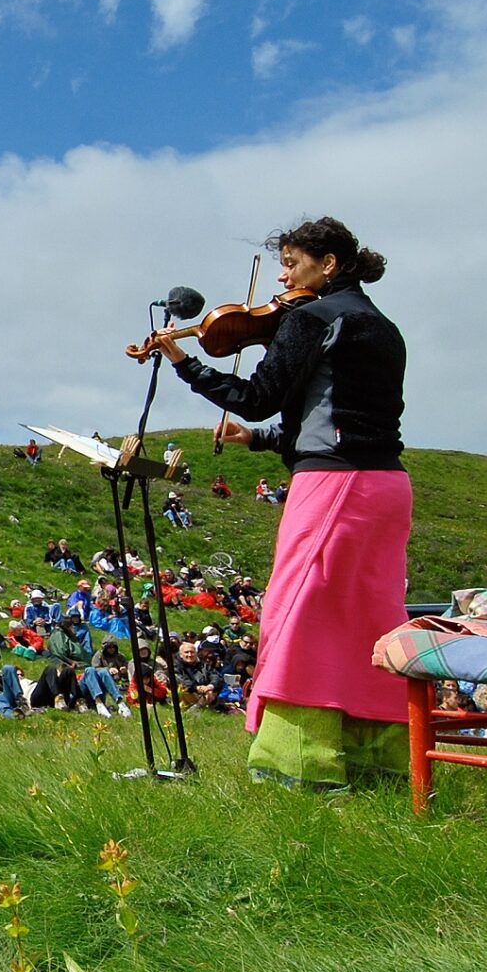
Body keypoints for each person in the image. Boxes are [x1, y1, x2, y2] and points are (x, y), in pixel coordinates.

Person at [137, 217, 407, 790]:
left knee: (299, 617)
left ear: (327, 264)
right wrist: (258, 440)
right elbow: (346, 419)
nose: (281, 277)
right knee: (370, 623)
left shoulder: (313, 318)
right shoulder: (382, 326)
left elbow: (255, 398)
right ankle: (375, 761)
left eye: (290, 263)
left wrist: (186, 365)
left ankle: (299, 764)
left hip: (335, 487)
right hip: (386, 488)